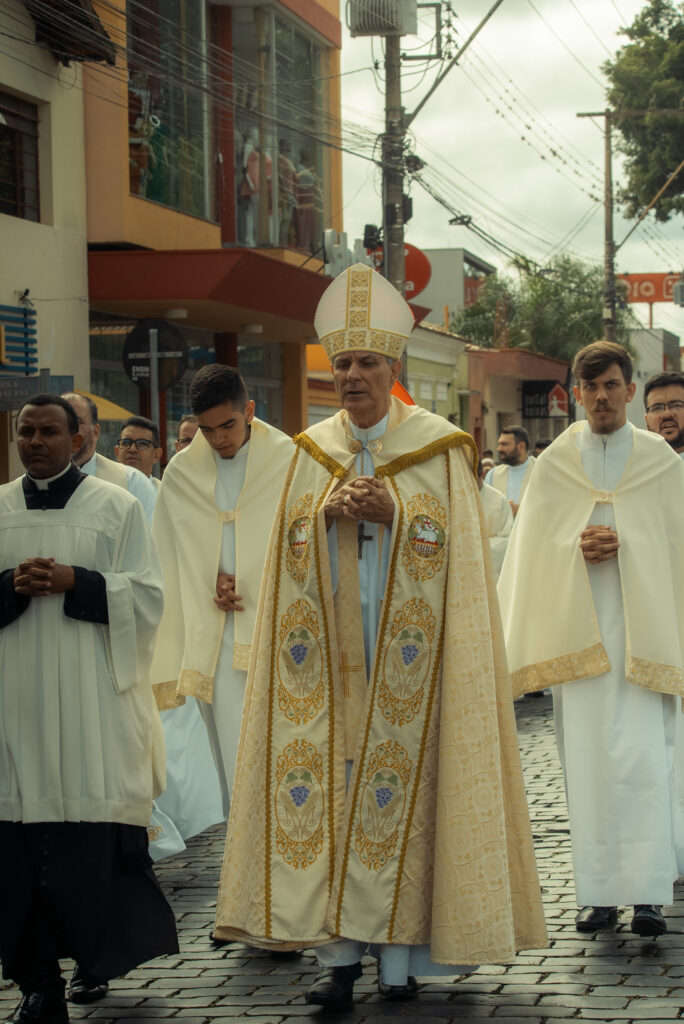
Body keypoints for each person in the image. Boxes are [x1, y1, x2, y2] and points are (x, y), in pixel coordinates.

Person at [212, 264, 546, 1006]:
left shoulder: (439, 447)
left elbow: (461, 555)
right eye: (344, 364)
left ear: (393, 370)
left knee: (404, 798)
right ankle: (338, 962)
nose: (354, 375)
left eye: (367, 362)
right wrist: (323, 517)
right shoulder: (309, 453)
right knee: (332, 796)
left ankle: (399, 966)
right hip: (329, 665)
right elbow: (287, 554)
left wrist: (400, 518)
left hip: (412, 669)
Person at [0, 394, 177, 1024]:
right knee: (14, 853)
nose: (37, 441)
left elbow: (151, 596)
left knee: (85, 845)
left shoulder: (117, 506)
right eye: (27, 432)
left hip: (89, 704)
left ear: (79, 439)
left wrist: (81, 582)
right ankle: (37, 982)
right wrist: (8, 589)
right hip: (14, 702)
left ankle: (90, 966)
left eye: (50, 431)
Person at [498, 340, 684, 938]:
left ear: (630, 390)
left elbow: (675, 544)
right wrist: (575, 547)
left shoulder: (662, 461)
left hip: (643, 639)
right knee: (586, 767)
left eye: (611, 385)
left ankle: (649, 895)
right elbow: (530, 554)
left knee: (645, 763)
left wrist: (626, 544)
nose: (601, 397)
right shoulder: (556, 463)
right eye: (590, 387)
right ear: (575, 394)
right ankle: (599, 895)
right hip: (579, 641)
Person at [150, 365, 293, 825]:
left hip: (280, 627)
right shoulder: (183, 472)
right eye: (207, 430)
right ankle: (246, 845)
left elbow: (308, 535)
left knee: (284, 748)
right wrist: (208, 575)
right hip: (217, 635)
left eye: (227, 425)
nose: (217, 439)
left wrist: (255, 576)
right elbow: (167, 550)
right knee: (232, 752)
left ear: (249, 410)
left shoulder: (289, 459)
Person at [61, 393, 156, 525]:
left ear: (95, 432)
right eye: (59, 422)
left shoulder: (133, 482)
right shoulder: (33, 485)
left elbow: (147, 541)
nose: (67, 429)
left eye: (77, 422)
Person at [484, 426, 534, 517]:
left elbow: (550, 508)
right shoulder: (493, 474)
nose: (499, 448)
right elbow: (485, 507)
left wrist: (519, 511)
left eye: (504, 444)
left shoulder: (539, 471)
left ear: (521, 446)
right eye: (499, 444)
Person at [477, 462, 513, 578]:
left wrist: (477, 548)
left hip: (490, 570)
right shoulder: (453, 498)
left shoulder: (499, 500)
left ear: (482, 475)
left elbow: (507, 539)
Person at [643, 370, 684, 457]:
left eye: (676, 405)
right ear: (647, 421)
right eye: (657, 408)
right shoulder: (636, 467)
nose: (667, 414)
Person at [115, 415, 163, 486]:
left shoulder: (164, 494)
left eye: (142, 444)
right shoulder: (103, 492)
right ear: (117, 452)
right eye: (126, 443)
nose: (132, 449)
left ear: (156, 455)